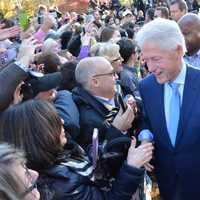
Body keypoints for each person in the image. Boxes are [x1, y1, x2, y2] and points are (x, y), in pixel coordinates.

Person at [0, 100, 153, 200]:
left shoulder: (62, 148)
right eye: (53, 121)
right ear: (38, 135)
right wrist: (131, 167)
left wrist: (115, 131)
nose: (62, 121)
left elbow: (92, 162)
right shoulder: (58, 186)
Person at [135, 18, 200, 200]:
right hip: (168, 183)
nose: (150, 68)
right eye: (146, 60)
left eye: (156, 59)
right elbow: (146, 120)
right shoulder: (146, 87)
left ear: (178, 50)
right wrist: (146, 138)